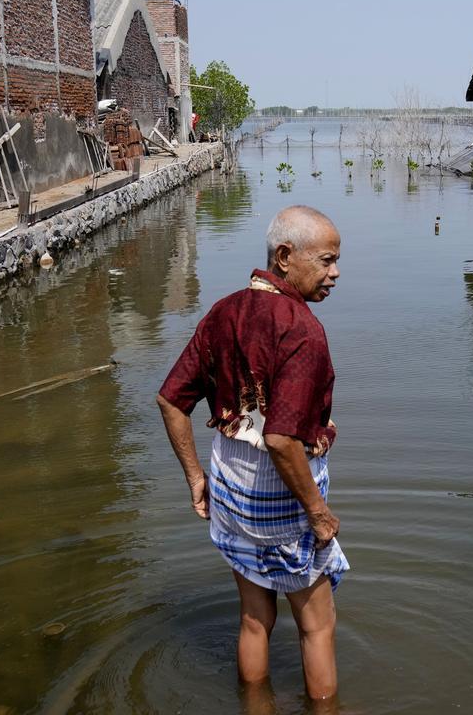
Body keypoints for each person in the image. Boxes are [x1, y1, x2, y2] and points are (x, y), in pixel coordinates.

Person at [156, 205, 346, 702]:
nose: (335, 273)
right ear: (285, 257)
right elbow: (282, 440)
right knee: (317, 625)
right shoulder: (301, 330)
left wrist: (196, 477)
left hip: (231, 488)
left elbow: (171, 400)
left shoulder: (226, 311)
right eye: (326, 261)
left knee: (255, 618)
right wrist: (319, 513)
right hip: (281, 497)